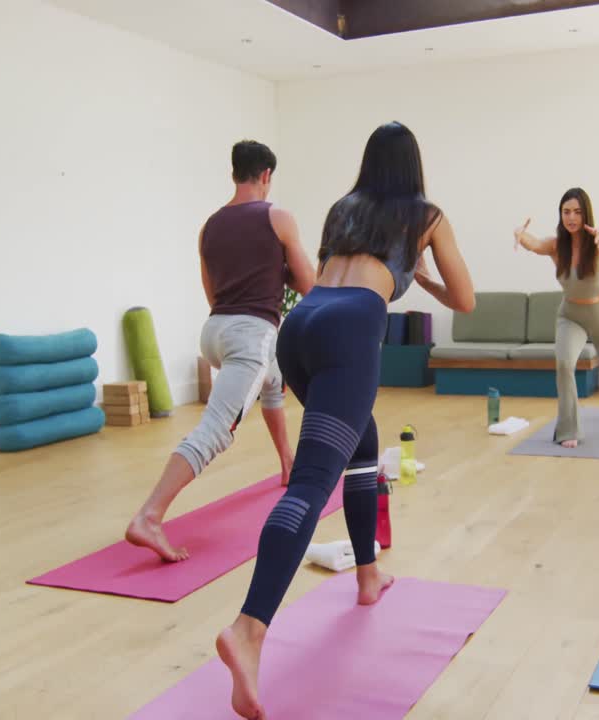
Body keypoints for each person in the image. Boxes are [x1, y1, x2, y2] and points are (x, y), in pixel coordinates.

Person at [215, 121, 475, 719]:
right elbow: (465, 300)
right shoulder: (425, 215)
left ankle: (366, 573)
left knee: (362, 437)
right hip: (352, 327)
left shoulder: (344, 208)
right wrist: (423, 268)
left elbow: (325, 272)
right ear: (414, 166)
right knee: (311, 482)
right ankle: (249, 629)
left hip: (303, 324)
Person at [124, 140, 317, 563]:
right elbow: (309, 286)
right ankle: (150, 516)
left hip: (214, 332)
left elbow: (212, 292)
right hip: (252, 332)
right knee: (217, 429)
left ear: (235, 173)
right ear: (266, 176)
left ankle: (287, 461)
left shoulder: (209, 226)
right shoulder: (277, 216)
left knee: (272, 375)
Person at [513, 188, 599, 447]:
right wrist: (520, 235)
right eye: (566, 212)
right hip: (571, 315)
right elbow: (534, 244)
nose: (572, 217)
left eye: (577, 212)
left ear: (586, 213)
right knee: (565, 364)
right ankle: (569, 429)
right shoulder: (557, 246)